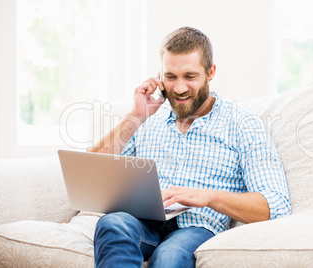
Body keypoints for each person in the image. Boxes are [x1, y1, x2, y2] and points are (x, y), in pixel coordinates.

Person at [90, 26, 291, 268]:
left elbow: (275, 205)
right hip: (144, 222)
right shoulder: (146, 119)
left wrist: (206, 196)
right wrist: (136, 115)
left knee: (168, 258)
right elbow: (92, 170)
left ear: (210, 72)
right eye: (171, 77)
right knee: (112, 223)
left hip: (197, 226)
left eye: (190, 76)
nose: (179, 88)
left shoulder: (242, 123)